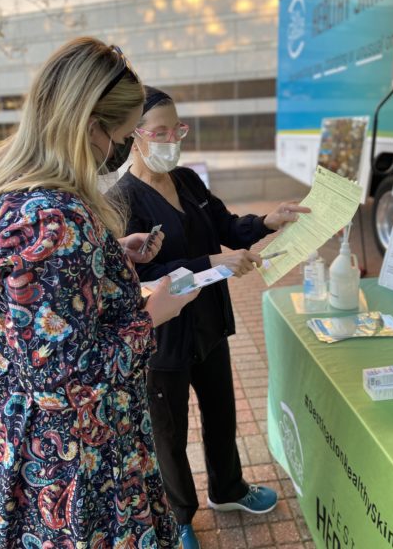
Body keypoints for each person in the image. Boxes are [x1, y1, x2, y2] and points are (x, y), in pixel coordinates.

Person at [0, 39, 200, 548]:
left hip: (10, 436)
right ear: (89, 125)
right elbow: (61, 380)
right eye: (121, 135)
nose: (120, 151)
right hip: (73, 460)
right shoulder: (55, 219)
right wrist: (151, 314)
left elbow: (27, 298)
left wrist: (107, 255)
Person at [110, 86, 311, 549]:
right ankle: (180, 516)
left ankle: (229, 489)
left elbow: (223, 224)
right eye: (159, 132)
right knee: (169, 433)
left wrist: (265, 222)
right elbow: (140, 276)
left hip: (208, 326)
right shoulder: (122, 201)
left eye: (176, 129)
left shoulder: (188, 181)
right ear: (134, 137)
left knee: (222, 414)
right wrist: (213, 265)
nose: (171, 140)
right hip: (163, 338)